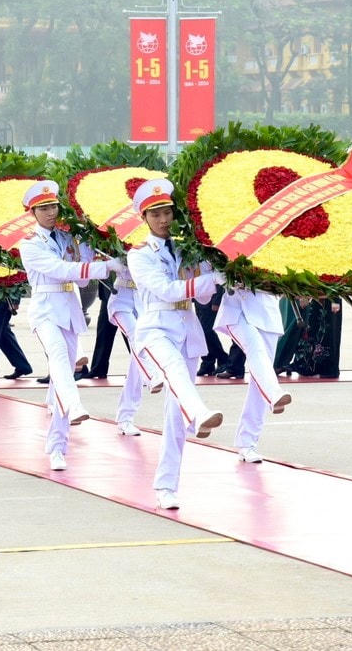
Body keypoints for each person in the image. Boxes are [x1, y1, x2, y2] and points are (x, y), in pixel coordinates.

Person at [127, 178, 224, 510]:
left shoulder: (188, 248)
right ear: (144, 218)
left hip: (187, 327)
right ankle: (200, 413)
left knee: (173, 414)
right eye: (155, 214)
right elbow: (167, 290)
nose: (163, 219)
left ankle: (166, 486)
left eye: (167, 211)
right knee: (176, 375)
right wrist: (209, 279)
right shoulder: (139, 255)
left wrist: (219, 270)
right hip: (156, 328)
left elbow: (206, 292)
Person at [18, 180, 123, 471]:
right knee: (61, 362)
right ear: (33, 212)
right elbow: (58, 270)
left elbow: (80, 279)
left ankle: (57, 447)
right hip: (45, 310)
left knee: (60, 374)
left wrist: (89, 243)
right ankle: (74, 404)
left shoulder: (68, 239)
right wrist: (104, 267)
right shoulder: (29, 245)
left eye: (53, 206)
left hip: (70, 308)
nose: (51, 212)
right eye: (44, 208)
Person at [214, 284, 292, 464]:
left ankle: (247, 443)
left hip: (268, 313)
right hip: (238, 311)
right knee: (256, 351)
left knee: (260, 378)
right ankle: (274, 393)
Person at [104, 254, 164, 437]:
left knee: (135, 361)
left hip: (145, 301)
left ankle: (125, 417)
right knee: (136, 335)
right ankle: (152, 376)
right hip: (121, 301)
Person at [285, 297, 342, 379]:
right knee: (311, 328)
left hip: (330, 298)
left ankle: (328, 368)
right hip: (316, 296)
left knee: (329, 329)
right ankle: (305, 365)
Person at [0, 298, 32, 382]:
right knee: (3, 334)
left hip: (0, 297)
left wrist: (15, 300)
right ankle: (22, 366)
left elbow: (17, 284)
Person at [195, 290, 229, 376]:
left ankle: (223, 359)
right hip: (198, 298)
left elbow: (217, 281)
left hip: (211, 300)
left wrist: (216, 301)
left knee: (206, 331)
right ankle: (208, 363)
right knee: (201, 332)